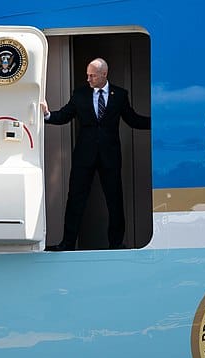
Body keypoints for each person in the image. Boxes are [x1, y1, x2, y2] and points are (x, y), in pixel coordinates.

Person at [41, 57, 150, 251]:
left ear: (104, 75)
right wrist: (48, 115)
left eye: (92, 75)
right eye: (87, 75)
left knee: (114, 200)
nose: (88, 79)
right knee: (75, 198)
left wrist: (158, 122)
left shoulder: (120, 95)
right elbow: (64, 116)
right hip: (84, 155)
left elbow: (132, 120)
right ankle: (67, 243)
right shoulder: (80, 94)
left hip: (110, 156)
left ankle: (116, 243)